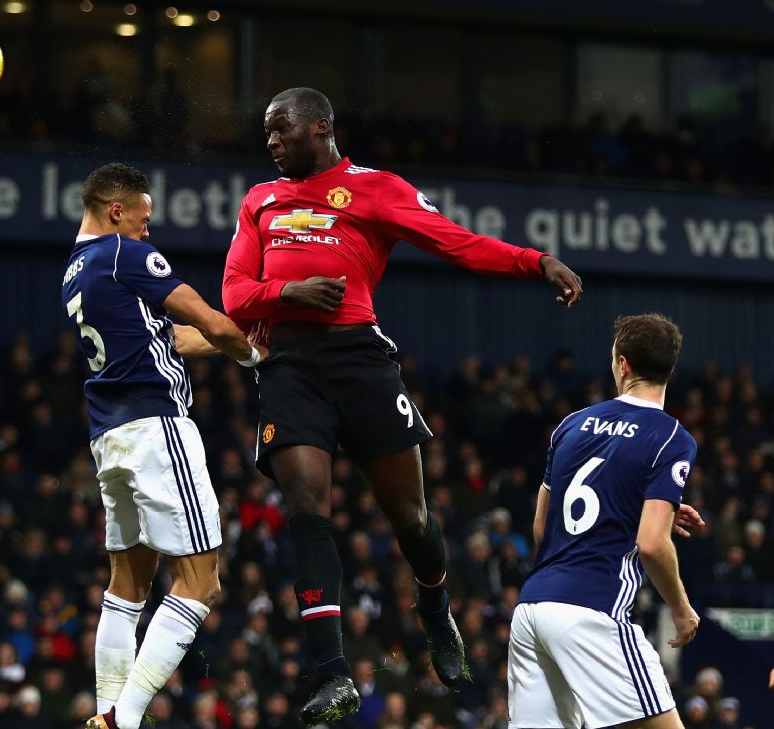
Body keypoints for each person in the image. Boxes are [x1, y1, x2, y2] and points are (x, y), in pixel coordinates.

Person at [220, 86, 584, 722]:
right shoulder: (260, 201)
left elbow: (457, 242)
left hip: (360, 362)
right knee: (306, 508)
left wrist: (536, 261)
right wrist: (292, 292)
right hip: (289, 370)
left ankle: (435, 605)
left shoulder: (376, 188)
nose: (271, 142)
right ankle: (331, 673)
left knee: (410, 519)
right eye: (267, 133)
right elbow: (235, 295)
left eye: (282, 131)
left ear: (320, 128)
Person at [61, 163, 264, 729]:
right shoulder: (125, 255)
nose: (149, 233)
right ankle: (124, 719)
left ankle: (104, 714)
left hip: (111, 438)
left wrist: (235, 342)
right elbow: (208, 319)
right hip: (158, 430)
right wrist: (255, 357)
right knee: (201, 582)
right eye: (144, 222)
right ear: (117, 211)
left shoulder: (77, 271)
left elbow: (168, 337)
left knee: (127, 584)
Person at [509, 314, 702, 729]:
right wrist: (682, 609)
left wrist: (637, 509)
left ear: (623, 363)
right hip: (594, 610)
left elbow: (544, 526)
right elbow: (651, 545)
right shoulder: (671, 438)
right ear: (669, 369)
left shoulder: (570, 426)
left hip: (531, 610)